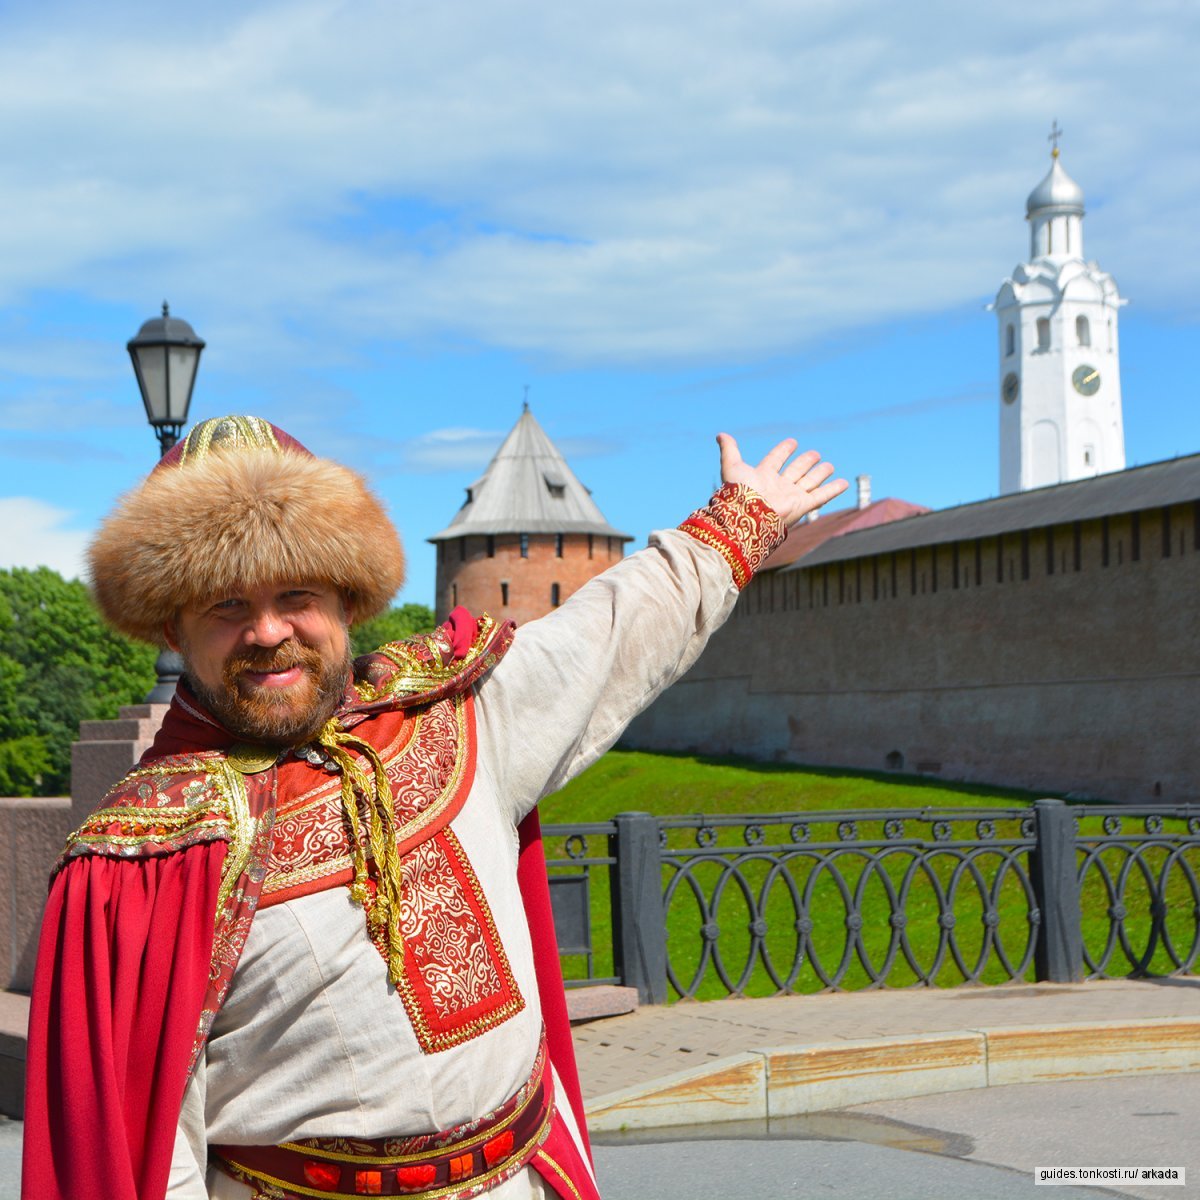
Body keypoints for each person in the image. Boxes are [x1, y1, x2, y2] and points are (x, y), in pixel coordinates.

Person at [21, 414, 846, 1200]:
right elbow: (141, 1152)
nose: (269, 631)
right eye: (226, 604)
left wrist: (740, 524)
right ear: (175, 624)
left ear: (347, 599)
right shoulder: (141, 857)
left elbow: (610, 634)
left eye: (297, 594)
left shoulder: (454, 718)